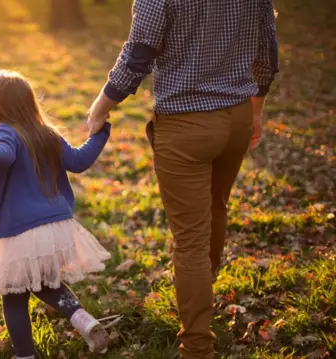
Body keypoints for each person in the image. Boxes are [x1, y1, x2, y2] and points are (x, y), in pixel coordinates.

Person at [86, 0, 279, 358]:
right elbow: (266, 50)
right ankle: (202, 292)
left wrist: (101, 105)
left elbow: (138, 53)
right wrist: (256, 111)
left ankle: (197, 347)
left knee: (190, 239)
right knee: (215, 210)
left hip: (186, 123)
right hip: (236, 116)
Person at [0, 68, 112, 358]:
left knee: (13, 296)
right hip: (57, 228)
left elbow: (4, 155)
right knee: (46, 283)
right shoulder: (47, 134)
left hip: (23, 229)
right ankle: (85, 321)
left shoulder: (4, 132)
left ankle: (24, 355)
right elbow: (81, 160)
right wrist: (101, 131)